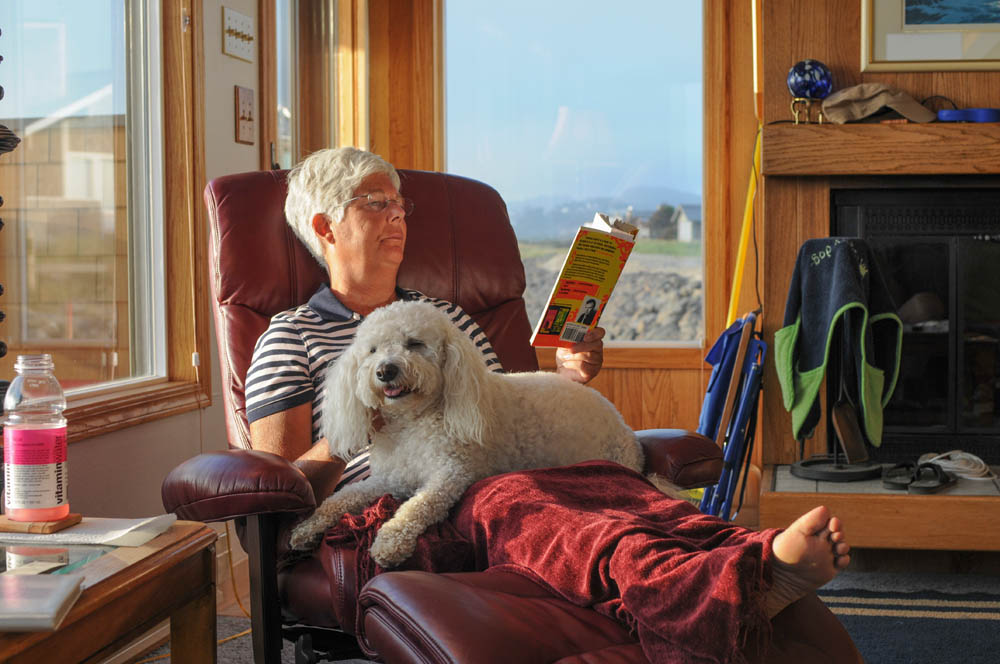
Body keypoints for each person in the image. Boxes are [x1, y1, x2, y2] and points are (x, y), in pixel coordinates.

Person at [245, 147, 854, 661]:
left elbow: (506, 401)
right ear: (325, 227)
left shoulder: (447, 320)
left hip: (511, 462)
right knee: (539, 510)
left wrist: (568, 372)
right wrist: (353, 433)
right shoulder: (291, 335)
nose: (399, 217)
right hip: (418, 499)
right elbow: (277, 488)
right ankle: (724, 583)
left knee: (625, 495)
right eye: (377, 204)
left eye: (401, 205)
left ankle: (740, 561)